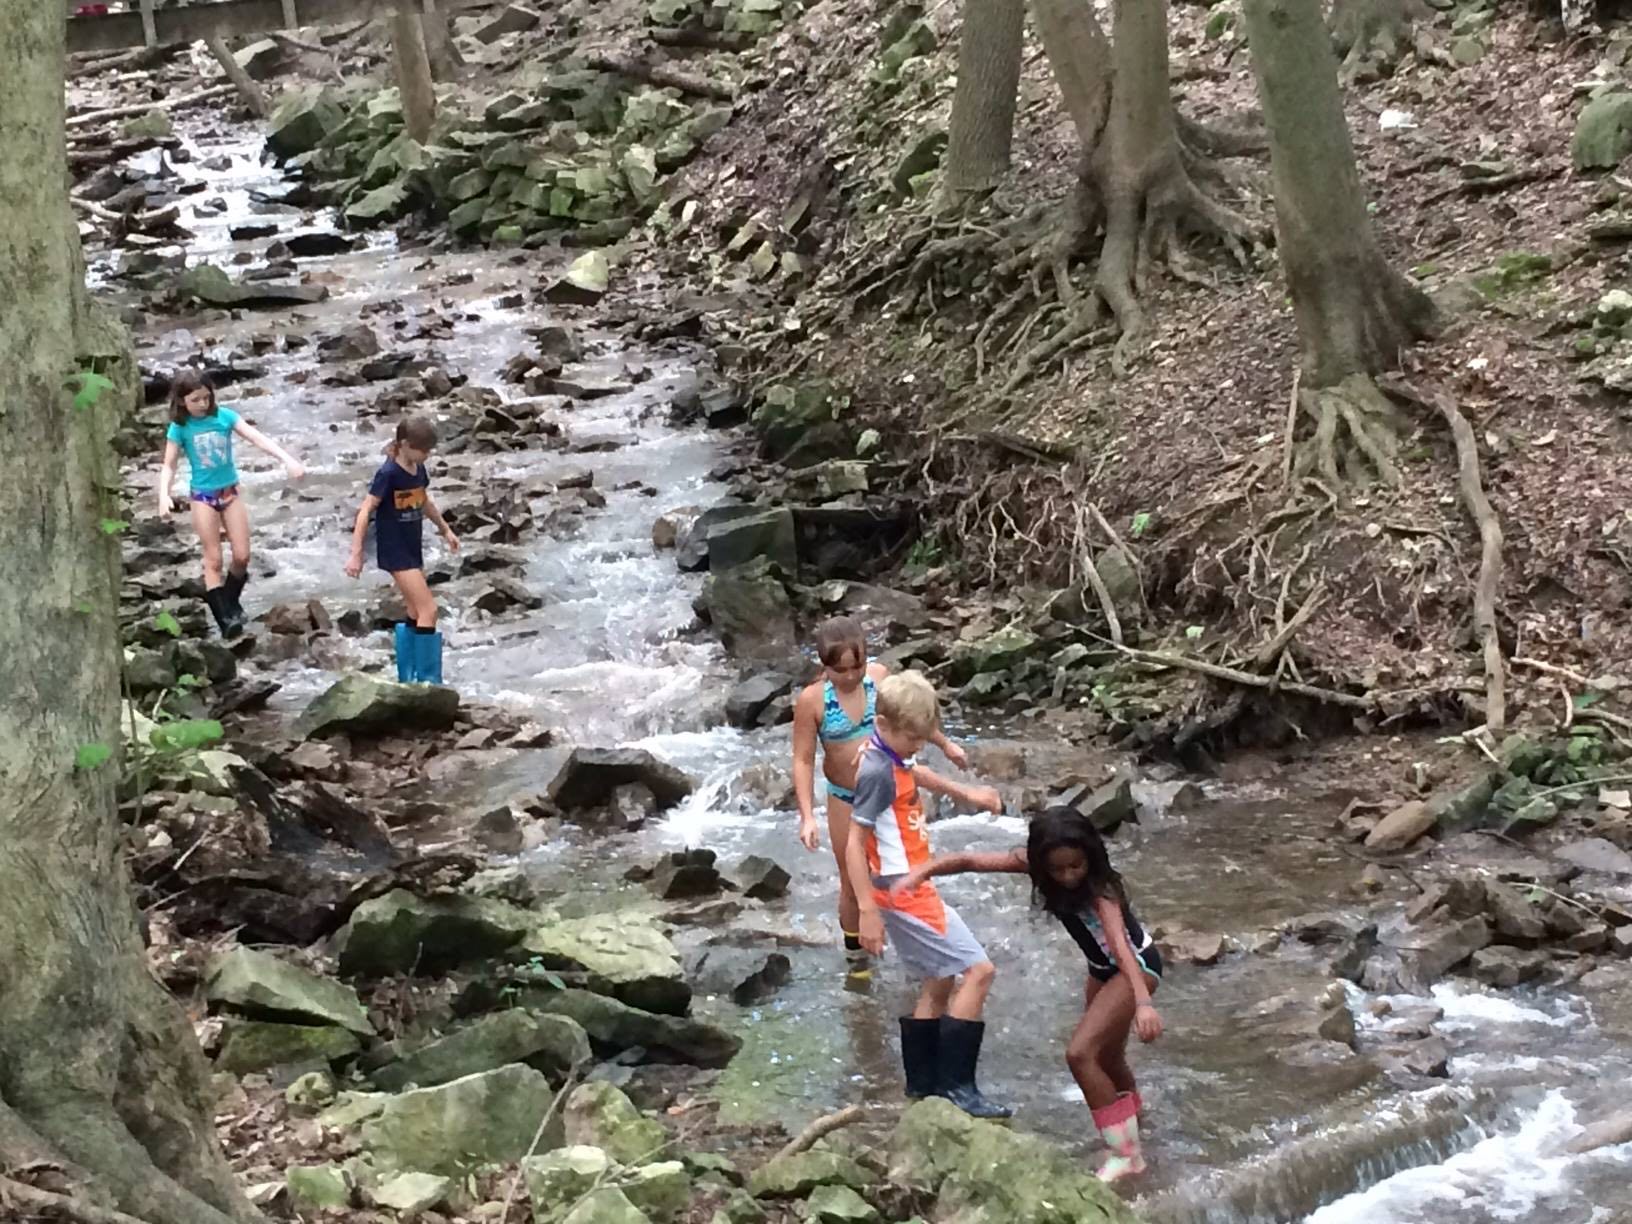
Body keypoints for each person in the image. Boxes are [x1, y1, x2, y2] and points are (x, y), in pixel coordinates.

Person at [893, 806, 1164, 1180]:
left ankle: (1126, 1153)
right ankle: (1135, 1122)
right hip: (1102, 970)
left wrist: (1143, 1003)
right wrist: (924, 871)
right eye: (1057, 870)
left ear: (1090, 857)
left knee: (1080, 1054)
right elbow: (971, 859)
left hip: (1136, 966)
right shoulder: (1034, 865)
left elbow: (1120, 946)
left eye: (1076, 866)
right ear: (1042, 864)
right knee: (1106, 1056)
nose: (1068, 876)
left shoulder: (1102, 889)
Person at [846, 670, 1010, 1119]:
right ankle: (959, 1088)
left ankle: (922, 1087)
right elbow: (852, 844)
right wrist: (866, 911)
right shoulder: (877, 770)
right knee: (979, 970)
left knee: (939, 980)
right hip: (903, 891)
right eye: (913, 738)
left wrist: (966, 792)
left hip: (908, 885)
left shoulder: (886, 751)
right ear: (885, 725)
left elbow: (913, 772)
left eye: (923, 737)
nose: (919, 745)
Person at [792, 616, 969, 968]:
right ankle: (857, 960)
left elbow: (910, 718)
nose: (851, 676)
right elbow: (803, 760)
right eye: (840, 670)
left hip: (893, 789)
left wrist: (945, 744)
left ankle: (918, 946)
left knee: (907, 868)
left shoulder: (879, 679)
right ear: (823, 665)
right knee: (851, 880)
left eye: (857, 665)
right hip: (845, 796)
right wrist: (808, 816)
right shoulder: (812, 701)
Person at [157, 371, 305, 639]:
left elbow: (257, 438)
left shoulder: (224, 416)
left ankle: (230, 599)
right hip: (203, 497)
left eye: (206, 397)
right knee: (213, 558)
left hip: (230, 493)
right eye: (195, 400)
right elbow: (169, 464)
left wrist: (286, 459)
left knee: (242, 556)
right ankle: (225, 620)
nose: (202, 404)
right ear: (182, 402)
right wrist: (163, 495)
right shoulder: (179, 427)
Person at [344, 416, 459, 684]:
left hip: (412, 545)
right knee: (429, 610)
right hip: (394, 549)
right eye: (424, 450)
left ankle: (408, 677)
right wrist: (356, 553)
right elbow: (365, 511)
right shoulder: (388, 474)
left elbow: (424, 501)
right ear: (405, 444)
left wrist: (445, 530)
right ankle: (428, 681)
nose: (427, 455)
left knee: (415, 611)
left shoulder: (417, 469)